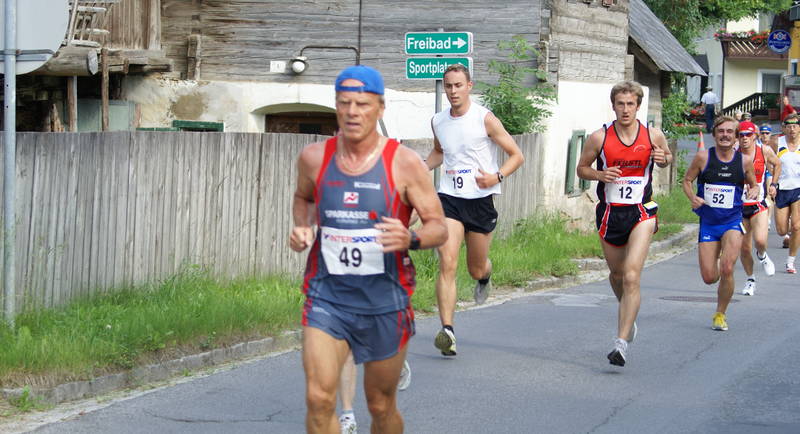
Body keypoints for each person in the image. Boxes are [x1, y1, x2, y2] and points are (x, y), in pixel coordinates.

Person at [290, 64, 448, 433]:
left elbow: (438, 226)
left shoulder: (405, 163)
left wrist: (410, 238)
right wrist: (302, 226)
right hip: (327, 298)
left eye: (361, 103)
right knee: (318, 398)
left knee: (380, 405)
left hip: (384, 301)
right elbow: (303, 196)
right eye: (344, 103)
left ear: (380, 106)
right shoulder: (314, 158)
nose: (351, 112)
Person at [424, 63, 524, 357]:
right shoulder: (438, 121)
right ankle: (448, 331)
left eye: (458, 85)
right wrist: (421, 165)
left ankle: (484, 276)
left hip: (480, 200)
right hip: (450, 198)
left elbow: (517, 155)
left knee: (475, 266)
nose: (453, 91)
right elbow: (440, 153)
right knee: (448, 263)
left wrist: (497, 176)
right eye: (448, 86)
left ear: (469, 86)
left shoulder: (485, 119)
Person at [576, 80, 672, 367]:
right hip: (609, 213)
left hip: (641, 211)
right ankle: (628, 312)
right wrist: (599, 176)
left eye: (631, 104)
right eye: (621, 104)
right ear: (614, 105)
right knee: (617, 276)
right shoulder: (599, 137)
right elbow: (582, 168)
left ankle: (620, 343)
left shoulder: (652, 134)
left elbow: (666, 157)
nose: (626, 109)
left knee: (631, 275)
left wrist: (663, 158)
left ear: (638, 106)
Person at [682, 116, 758, 331]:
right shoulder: (703, 157)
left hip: (732, 221)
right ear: (714, 134)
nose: (725, 135)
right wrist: (692, 197)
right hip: (708, 223)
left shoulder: (743, 161)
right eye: (721, 131)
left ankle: (720, 314)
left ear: (735, 137)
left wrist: (754, 190)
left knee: (726, 268)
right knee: (709, 277)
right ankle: (715, 261)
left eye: (729, 132)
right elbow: (687, 181)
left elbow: (754, 185)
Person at [736, 121, 780, 296]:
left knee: (760, 240)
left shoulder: (764, 150)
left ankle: (762, 255)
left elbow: (777, 164)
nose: (745, 138)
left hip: (758, 205)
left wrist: (774, 184)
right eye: (741, 135)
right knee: (744, 248)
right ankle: (750, 280)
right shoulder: (733, 154)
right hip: (738, 207)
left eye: (748, 135)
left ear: (755, 136)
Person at [771, 113, 800, 273]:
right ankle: (789, 233)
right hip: (782, 188)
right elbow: (769, 160)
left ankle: (790, 261)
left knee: (796, 226)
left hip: (798, 188)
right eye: (788, 126)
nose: (792, 129)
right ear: (784, 128)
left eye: (795, 126)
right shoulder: (777, 142)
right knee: (782, 230)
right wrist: (773, 181)